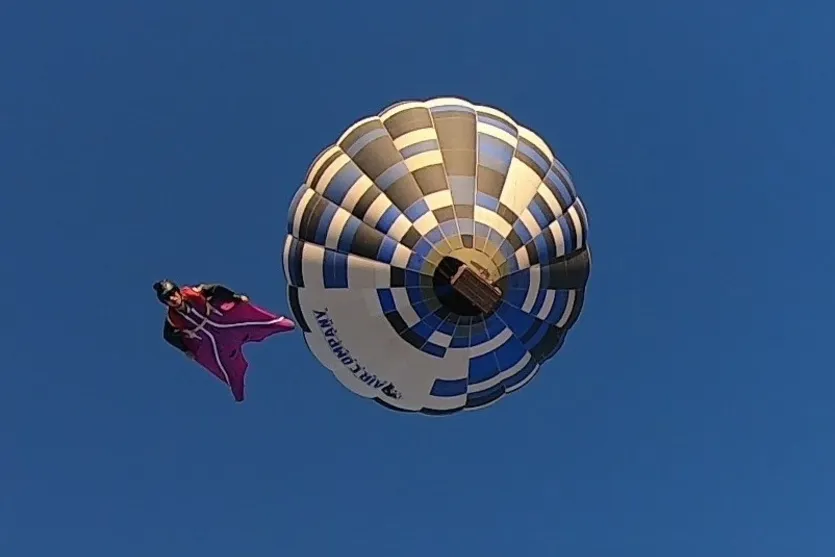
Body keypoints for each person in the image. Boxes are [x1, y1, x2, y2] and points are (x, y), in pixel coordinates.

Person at [153, 279, 295, 401]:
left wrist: (236, 297)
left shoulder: (196, 293)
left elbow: (217, 290)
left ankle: (276, 323)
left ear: (178, 291)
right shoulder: (172, 320)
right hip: (212, 341)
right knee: (225, 364)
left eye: (172, 294)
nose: (172, 298)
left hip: (223, 322)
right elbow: (168, 336)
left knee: (251, 323)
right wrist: (185, 349)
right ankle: (236, 384)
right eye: (167, 298)